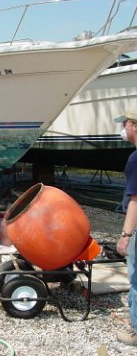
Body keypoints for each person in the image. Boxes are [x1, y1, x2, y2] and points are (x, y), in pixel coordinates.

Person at [114, 109, 137, 346]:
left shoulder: (135, 159)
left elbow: (135, 200)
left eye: (125, 123)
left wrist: (126, 235)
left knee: (136, 280)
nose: (123, 128)